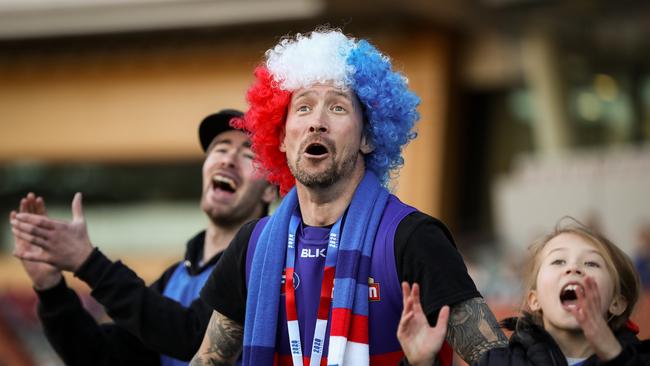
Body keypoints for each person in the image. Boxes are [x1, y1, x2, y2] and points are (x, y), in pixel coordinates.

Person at [190, 28, 507, 366]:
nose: (317, 123)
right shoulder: (252, 246)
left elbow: (498, 359)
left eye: (338, 108)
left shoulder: (412, 239)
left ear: (368, 138)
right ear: (281, 137)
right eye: (304, 107)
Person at [9, 109, 277, 366]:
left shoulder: (264, 266)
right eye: (220, 148)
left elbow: (195, 337)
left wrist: (88, 262)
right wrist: (50, 288)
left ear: (269, 191)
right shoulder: (174, 277)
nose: (227, 159)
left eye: (248, 154)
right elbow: (101, 358)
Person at [397, 218, 650, 365]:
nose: (573, 269)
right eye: (558, 261)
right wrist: (420, 362)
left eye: (591, 263)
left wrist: (613, 355)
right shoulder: (500, 362)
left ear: (617, 302)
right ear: (534, 299)